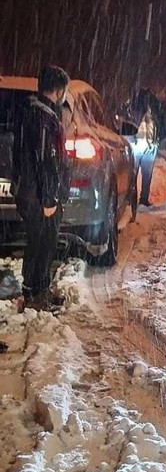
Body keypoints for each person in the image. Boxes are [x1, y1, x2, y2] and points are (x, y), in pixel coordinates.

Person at [12, 66, 70, 310]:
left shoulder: (36, 112)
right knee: (42, 243)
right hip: (39, 195)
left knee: (43, 242)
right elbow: (46, 159)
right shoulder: (42, 117)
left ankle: (40, 289)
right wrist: (49, 199)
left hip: (34, 191)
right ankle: (35, 294)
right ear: (58, 91)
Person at [117, 88, 166, 218]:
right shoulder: (148, 110)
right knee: (142, 174)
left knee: (138, 174)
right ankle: (138, 199)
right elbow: (160, 124)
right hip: (145, 144)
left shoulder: (133, 108)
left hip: (142, 144)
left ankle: (137, 199)